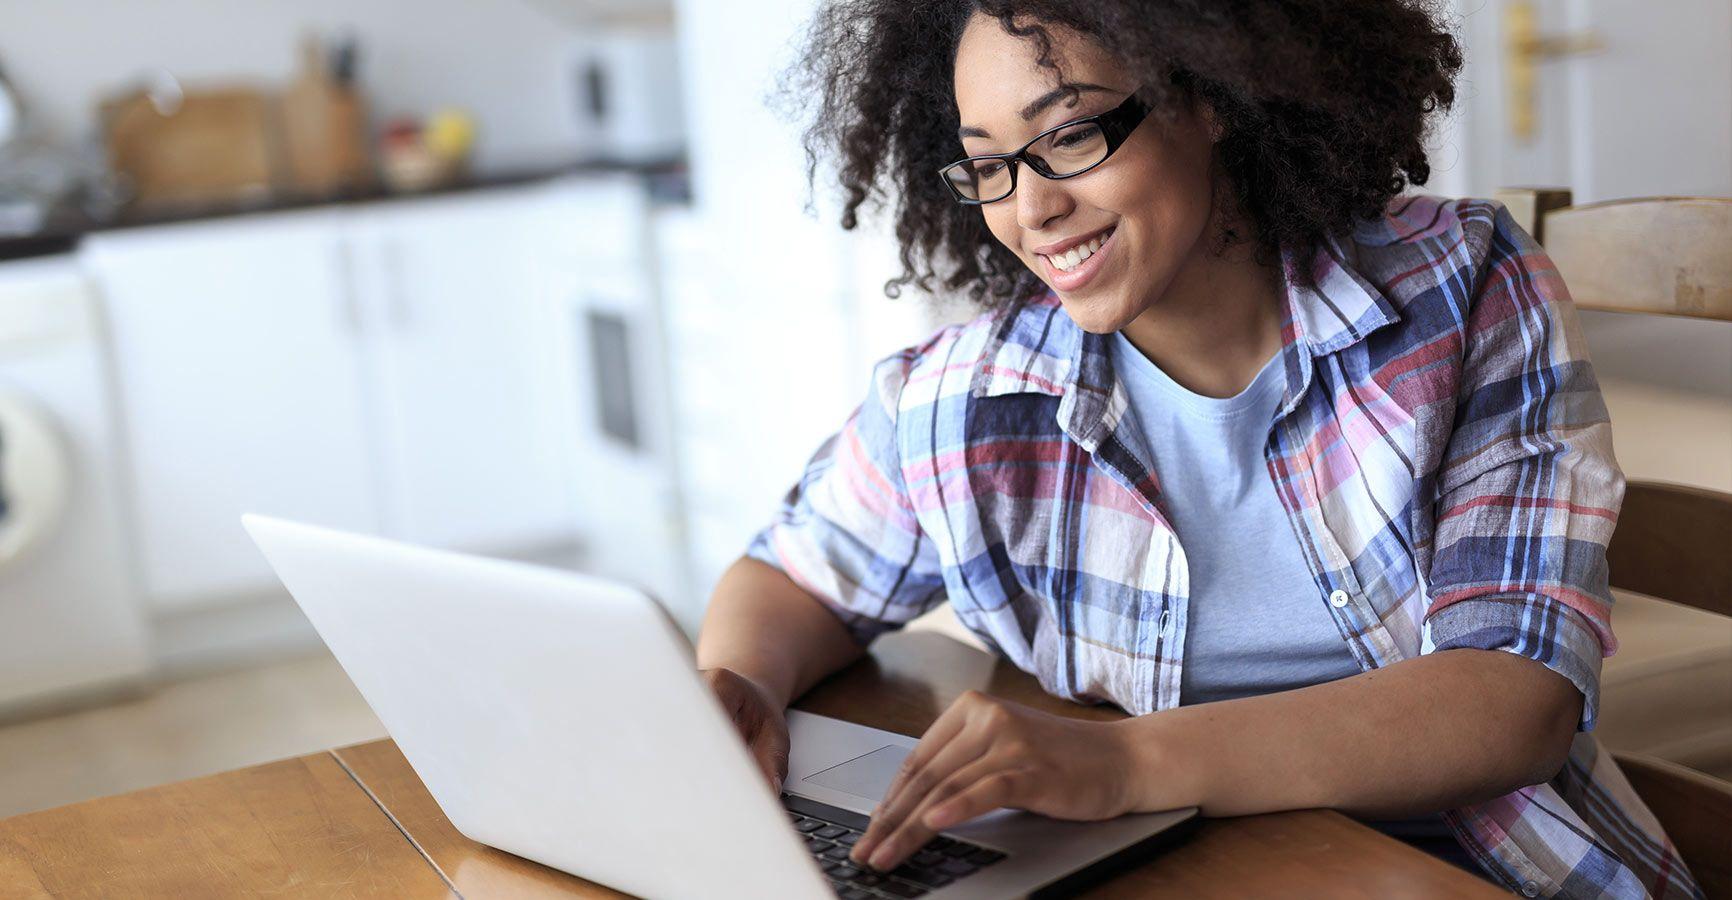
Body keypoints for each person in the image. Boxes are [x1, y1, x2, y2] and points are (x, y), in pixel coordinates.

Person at [694, 2, 1702, 897]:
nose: (1030, 209)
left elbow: (1511, 698)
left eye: (1072, 135)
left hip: (1471, 869)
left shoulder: (1463, 288)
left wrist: (1126, 765)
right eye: (989, 163)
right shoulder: (968, 397)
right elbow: (792, 577)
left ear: (1212, 92)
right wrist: (738, 690)